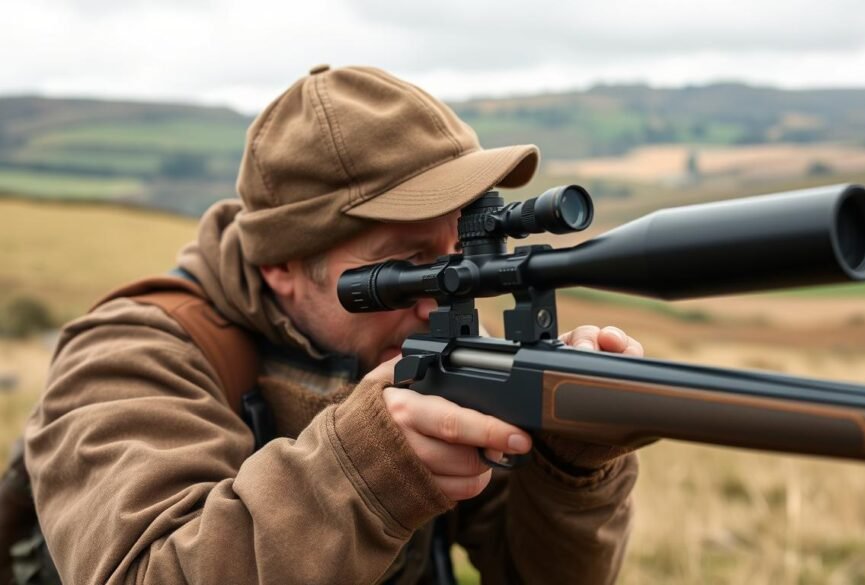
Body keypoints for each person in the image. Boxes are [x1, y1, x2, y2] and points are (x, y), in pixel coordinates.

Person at [24, 65, 642, 584]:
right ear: (284, 265)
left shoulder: (431, 349)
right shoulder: (125, 357)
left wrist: (572, 474)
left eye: (455, 255)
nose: (441, 297)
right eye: (409, 262)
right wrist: (367, 470)